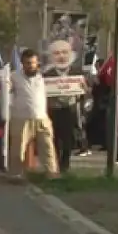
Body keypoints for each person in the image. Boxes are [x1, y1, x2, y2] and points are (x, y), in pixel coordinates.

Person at [7, 49, 59, 177]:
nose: (31, 66)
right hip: (21, 119)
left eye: (33, 63)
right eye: (27, 63)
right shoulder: (14, 77)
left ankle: (51, 174)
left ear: (37, 63)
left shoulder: (44, 77)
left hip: (42, 118)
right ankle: (15, 174)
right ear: (22, 64)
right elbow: (3, 88)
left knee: (48, 147)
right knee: (17, 149)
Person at [43, 39, 82, 173]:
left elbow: (85, 93)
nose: (61, 56)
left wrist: (85, 89)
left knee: (68, 139)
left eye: (65, 52)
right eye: (57, 53)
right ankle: (55, 164)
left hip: (70, 109)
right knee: (54, 138)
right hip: (54, 110)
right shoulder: (47, 75)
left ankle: (65, 164)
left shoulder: (77, 73)